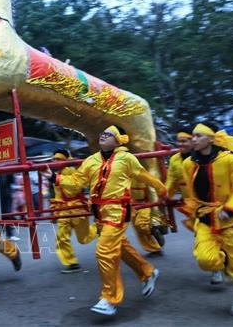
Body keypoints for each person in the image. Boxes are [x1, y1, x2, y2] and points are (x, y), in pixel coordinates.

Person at [55, 125, 166, 316]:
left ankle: (109, 298)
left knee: (105, 251)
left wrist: (163, 191)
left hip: (118, 211)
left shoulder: (127, 158)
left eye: (108, 134)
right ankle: (147, 272)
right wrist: (55, 179)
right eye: (102, 133)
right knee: (120, 247)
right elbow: (75, 183)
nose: (103, 136)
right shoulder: (91, 160)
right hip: (99, 213)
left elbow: (144, 176)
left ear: (118, 140)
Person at [182, 122, 233, 316]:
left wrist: (230, 209)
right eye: (192, 136)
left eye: (198, 136)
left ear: (211, 139)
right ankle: (224, 264)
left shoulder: (229, 160)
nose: (193, 139)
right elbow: (190, 191)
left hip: (231, 219)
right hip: (205, 217)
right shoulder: (188, 163)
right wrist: (191, 209)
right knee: (205, 260)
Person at [49, 149, 97, 274]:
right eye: (54, 159)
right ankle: (72, 263)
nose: (55, 162)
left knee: (84, 239)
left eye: (58, 159)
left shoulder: (70, 171)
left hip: (76, 208)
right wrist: (55, 211)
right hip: (64, 210)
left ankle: (99, 228)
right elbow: (58, 195)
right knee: (61, 237)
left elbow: (73, 190)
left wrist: (57, 178)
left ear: (64, 161)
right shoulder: (56, 173)